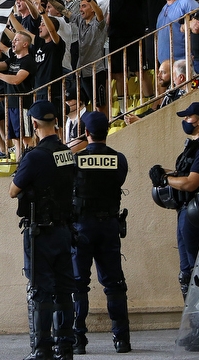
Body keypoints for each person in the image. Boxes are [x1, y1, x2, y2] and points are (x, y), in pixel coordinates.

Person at [149, 101, 199, 351]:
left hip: (197, 214)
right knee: (187, 273)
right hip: (185, 213)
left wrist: (165, 179)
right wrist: (165, 172)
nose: (186, 120)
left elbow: (192, 183)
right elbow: (184, 172)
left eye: (189, 117)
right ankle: (196, 328)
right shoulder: (193, 147)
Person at [9, 100, 77, 360]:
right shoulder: (67, 153)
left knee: (41, 291)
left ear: (34, 124)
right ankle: (66, 347)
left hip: (40, 233)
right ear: (56, 122)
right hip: (64, 230)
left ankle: (43, 349)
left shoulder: (35, 156)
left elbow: (13, 190)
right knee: (63, 290)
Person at [71, 111, 131, 354]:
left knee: (78, 285)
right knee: (114, 284)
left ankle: (78, 340)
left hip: (82, 227)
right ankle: (122, 340)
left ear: (86, 133)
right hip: (109, 227)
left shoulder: (76, 160)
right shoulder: (120, 159)